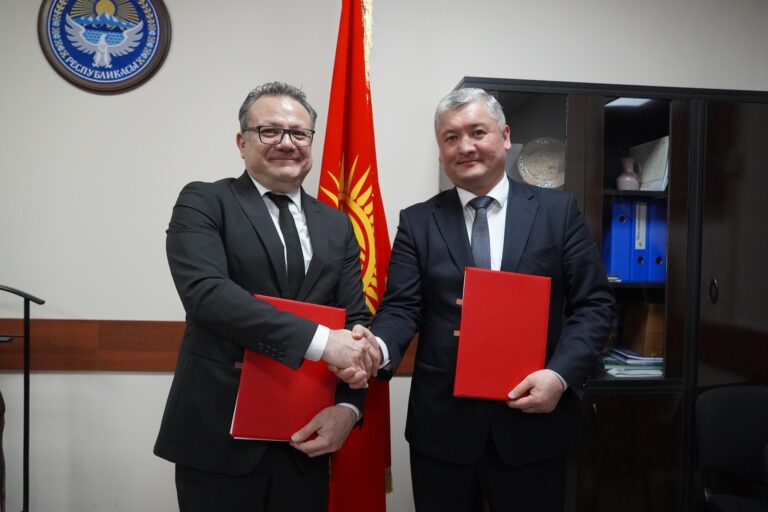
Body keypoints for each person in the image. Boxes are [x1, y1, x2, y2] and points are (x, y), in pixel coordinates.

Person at [366, 88, 616, 511]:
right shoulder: (418, 221)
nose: (465, 146)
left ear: (505, 136)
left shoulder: (558, 212)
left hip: (533, 425)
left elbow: (594, 304)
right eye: (450, 138)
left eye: (477, 132)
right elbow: (402, 307)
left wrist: (559, 376)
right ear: (441, 151)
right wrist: (377, 347)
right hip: (442, 428)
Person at [154, 81, 380, 512]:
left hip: (307, 438)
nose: (286, 143)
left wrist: (348, 409)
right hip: (218, 442)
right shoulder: (204, 201)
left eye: (299, 133)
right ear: (242, 142)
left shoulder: (337, 225)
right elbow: (207, 296)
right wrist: (322, 342)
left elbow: (355, 322)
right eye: (269, 131)